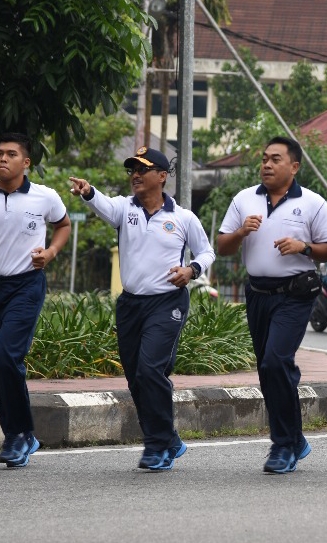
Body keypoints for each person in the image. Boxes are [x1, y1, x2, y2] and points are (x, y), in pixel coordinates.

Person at [69, 147, 214, 471]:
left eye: (143, 169)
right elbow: (104, 204)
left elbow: (206, 252)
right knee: (137, 377)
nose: (135, 174)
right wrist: (88, 192)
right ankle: (169, 439)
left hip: (167, 302)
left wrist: (190, 270)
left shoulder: (183, 217)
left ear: (162, 176)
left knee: (150, 370)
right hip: (131, 305)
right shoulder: (124, 209)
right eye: (132, 169)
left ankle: (158, 445)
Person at [217, 136, 327, 473]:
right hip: (258, 294)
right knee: (270, 370)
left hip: (295, 294)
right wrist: (241, 232)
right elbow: (223, 247)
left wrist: (304, 246)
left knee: (274, 361)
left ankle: (283, 446)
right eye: (264, 158)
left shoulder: (313, 203)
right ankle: (295, 439)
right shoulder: (244, 199)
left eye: (275, 159)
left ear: (294, 166)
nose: (266, 165)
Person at [0, 132, 70, 469]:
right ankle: (16, 435)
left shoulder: (44, 197)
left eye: (10, 154)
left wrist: (50, 252)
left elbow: (63, 226)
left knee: (7, 358)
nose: (2, 159)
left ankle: (20, 434)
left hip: (26, 285)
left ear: (26, 162)